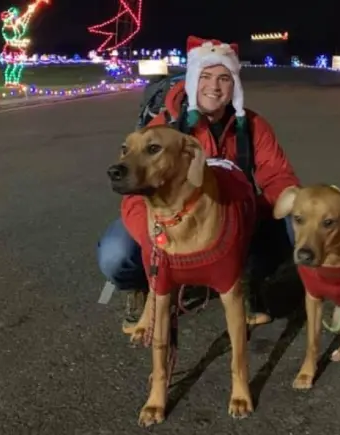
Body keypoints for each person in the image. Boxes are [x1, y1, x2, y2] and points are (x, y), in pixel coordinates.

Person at [97, 35, 300, 327]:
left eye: (224, 78)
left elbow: (278, 176)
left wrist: (253, 211)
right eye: (205, 77)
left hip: (230, 217)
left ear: (235, 85)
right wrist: (156, 242)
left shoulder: (253, 125)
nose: (214, 87)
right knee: (116, 254)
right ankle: (145, 287)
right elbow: (133, 195)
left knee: (296, 222)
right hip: (169, 221)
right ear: (192, 80)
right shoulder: (164, 128)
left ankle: (250, 279)